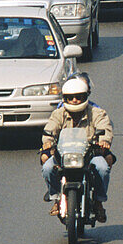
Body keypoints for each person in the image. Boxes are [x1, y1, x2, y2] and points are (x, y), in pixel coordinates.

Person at [40, 75, 114, 222]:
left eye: (79, 97)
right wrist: (47, 142)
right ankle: (56, 198)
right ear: (65, 98)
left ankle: (98, 202)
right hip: (64, 154)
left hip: (90, 153)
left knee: (103, 168)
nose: (75, 100)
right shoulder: (58, 114)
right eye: (71, 97)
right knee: (48, 167)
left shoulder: (97, 113)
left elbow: (105, 129)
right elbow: (50, 129)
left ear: (85, 96)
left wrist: (104, 141)